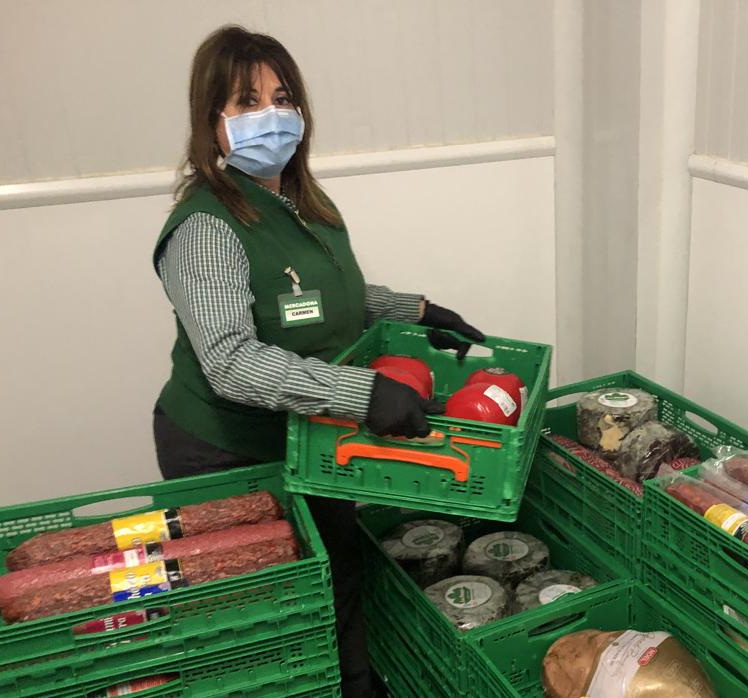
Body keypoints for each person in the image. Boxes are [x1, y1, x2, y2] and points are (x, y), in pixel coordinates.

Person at [150, 25, 484, 698]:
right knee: (263, 610)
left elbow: (332, 295)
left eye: (282, 96)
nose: (270, 115)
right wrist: (363, 394)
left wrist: (418, 311)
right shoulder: (206, 226)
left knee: (339, 564)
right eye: (246, 101)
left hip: (310, 435)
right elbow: (231, 362)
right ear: (209, 120)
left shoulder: (300, 202)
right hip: (227, 451)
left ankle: (355, 684)